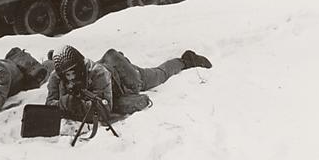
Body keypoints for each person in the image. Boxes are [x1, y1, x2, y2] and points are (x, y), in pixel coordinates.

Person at [45, 45, 212, 119]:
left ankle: (185, 61)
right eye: (66, 75)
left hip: (125, 77)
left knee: (158, 75)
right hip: (108, 69)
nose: (71, 77)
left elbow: (103, 111)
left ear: (80, 66)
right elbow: (49, 105)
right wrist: (67, 102)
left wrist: (71, 102)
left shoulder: (97, 73)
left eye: (73, 72)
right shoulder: (56, 77)